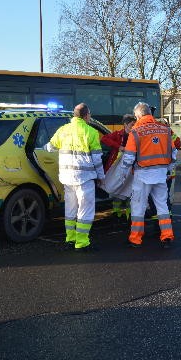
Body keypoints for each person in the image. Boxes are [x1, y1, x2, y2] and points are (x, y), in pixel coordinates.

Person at [45, 103, 105, 252]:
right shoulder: (91, 132)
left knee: (70, 208)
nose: (90, 117)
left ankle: (70, 238)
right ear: (86, 115)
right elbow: (97, 159)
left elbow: (50, 147)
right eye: (89, 114)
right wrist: (101, 176)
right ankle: (82, 242)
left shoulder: (63, 130)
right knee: (85, 210)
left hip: (66, 177)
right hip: (84, 178)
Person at [118, 102, 177, 248]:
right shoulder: (165, 129)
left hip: (143, 175)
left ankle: (136, 239)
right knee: (162, 206)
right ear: (150, 113)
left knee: (138, 207)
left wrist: (122, 174)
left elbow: (129, 158)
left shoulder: (136, 131)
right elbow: (174, 153)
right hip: (161, 174)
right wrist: (168, 169)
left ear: (138, 115)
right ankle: (167, 236)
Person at [100, 114, 136, 219]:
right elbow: (104, 139)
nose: (133, 126)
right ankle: (117, 213)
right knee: (116, 188)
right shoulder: (118, 134)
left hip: (131, 167)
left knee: (130, 189)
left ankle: (129, 215)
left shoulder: (136, 135)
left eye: (135, 124)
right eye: (132, 124)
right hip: (117, 166)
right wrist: (119, 147)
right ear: (125, 124)